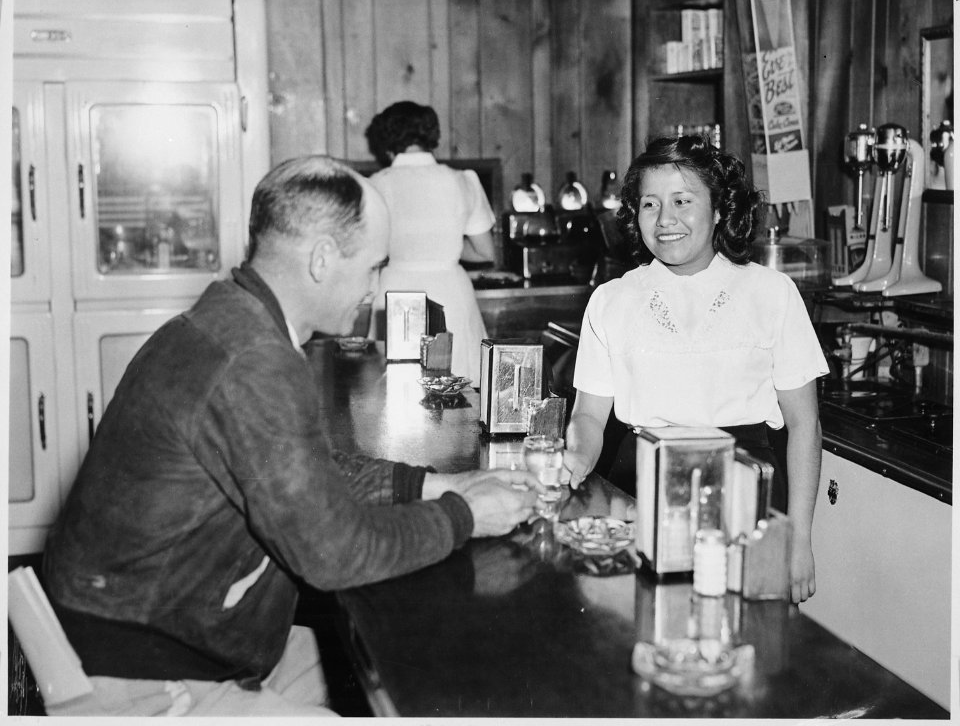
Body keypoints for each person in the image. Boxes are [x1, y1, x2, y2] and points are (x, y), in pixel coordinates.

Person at [41, 156, 541, 717]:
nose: (376, 291)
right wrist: (466, 516)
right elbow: (336, 554)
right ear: (322, 259)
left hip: (169, 628)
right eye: (374, 267)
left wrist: (444, 485)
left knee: (395, 677)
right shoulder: (253, 359)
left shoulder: (235, 321)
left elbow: (315, 473)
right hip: (142, 668)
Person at [563, 134, 828, 604]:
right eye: (650, 204)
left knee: (745, 645)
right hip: (639, 492)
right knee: (643, 625)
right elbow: (588, 416)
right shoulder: (612, 300)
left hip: (746, 494)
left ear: (721, 209)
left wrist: (800, 539)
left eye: (682, 201)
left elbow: (805, 424)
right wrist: (577, 460)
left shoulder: (771, 293)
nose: (666, 220)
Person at [365, 101, 496, 384]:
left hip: (395, 293)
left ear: (387, 140)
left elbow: (367, 252)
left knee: (396, 386)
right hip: (450, 294)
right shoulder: (463, 181)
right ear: (430, 136)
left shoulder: (375, 185)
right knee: (459, 386)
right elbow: (485, 251)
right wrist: (447, 252)